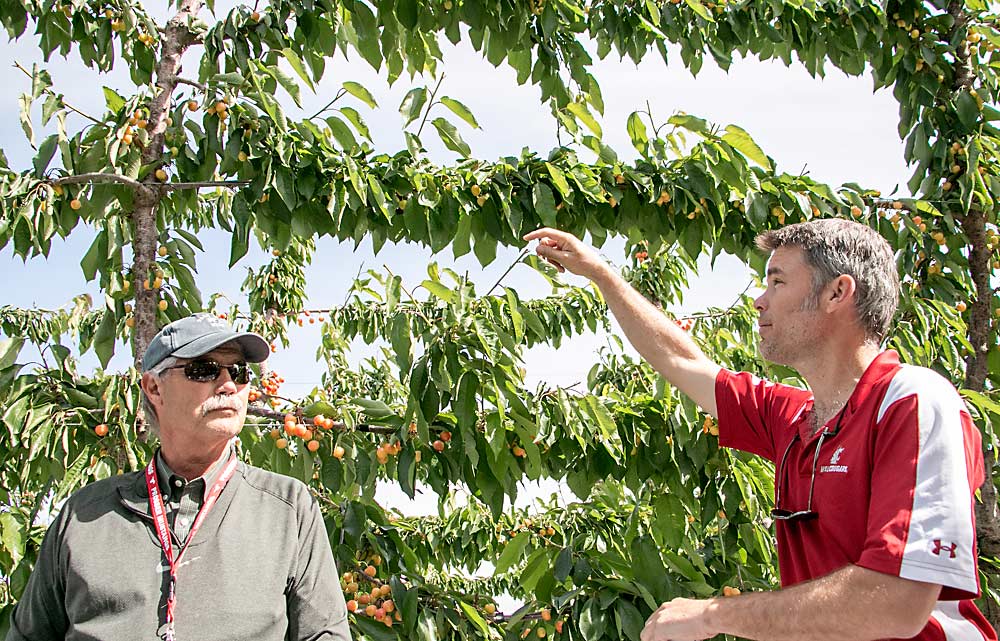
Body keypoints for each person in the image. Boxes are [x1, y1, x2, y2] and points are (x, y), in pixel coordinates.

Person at [525, 220, 996, 641]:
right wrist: (603, 275)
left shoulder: (912, 402)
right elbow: (681, 361)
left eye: (777, 281)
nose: (758, 300)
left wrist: (712, 615)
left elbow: (897, 601)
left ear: (837, 293)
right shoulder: (795, 420)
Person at [7, 313, 352, 641]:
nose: (229, 384)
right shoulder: (83, 516)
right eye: (205, 370)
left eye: (240, 372)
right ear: (154, 389)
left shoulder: (287, 510)